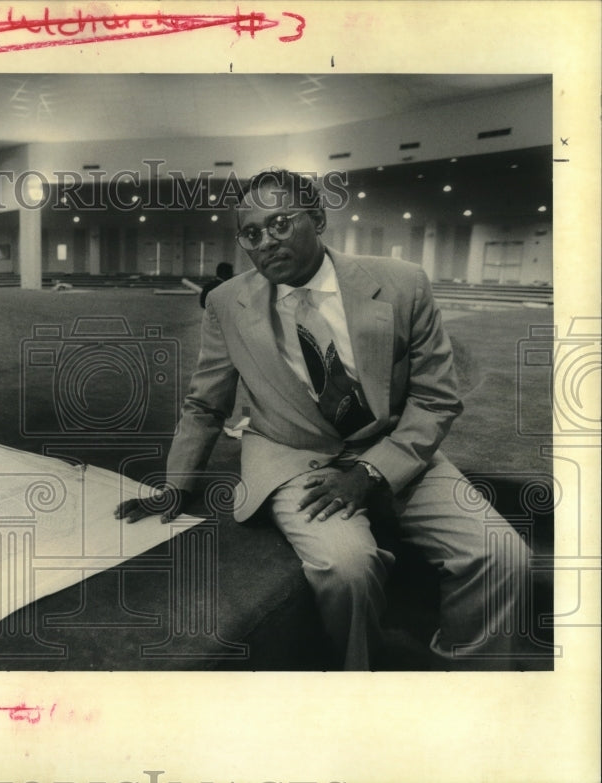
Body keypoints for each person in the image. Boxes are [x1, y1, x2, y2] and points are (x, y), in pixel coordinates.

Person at [115, 168, 531, 670]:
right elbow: (206, 404)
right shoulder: (227, 303)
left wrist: (371, 472)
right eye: (251, 233)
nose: (266, 241)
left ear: (317, 218)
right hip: (292, 455)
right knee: (346, 568)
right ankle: (359, 680)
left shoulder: (401, 284)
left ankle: (474, 681)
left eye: (281, 223)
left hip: (394, 443)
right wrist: (176, 483)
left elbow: (436, 400)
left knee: (502, 553)